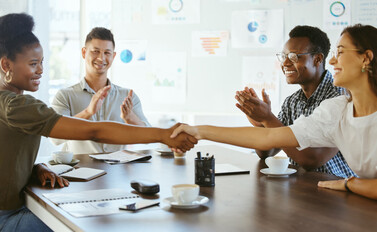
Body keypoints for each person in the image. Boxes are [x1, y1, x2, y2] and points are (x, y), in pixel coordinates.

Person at [0, 13, 196, 231]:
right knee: (97, 220)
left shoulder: (10, 103)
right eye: (33, 63)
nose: (41, 71)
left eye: (42, 63)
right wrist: (163, 134)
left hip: (19, 207)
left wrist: (36, 168)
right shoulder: (16, 105)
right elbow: (95, 131)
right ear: (6, 65)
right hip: (8, 218)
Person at [172, 24, 377, 200]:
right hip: (334, 196)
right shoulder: (338, 109)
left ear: (366, 58)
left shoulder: (335, 98)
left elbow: (311, 160)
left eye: (340, 53)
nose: (333, 62)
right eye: (284, 56)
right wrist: (199, 131)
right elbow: (269, 138)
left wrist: (350, 184)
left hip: (340, 196)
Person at [235, 25, 355, 178]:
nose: (285, 63)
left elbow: (311, 160)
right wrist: (261, 123)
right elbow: (267, 152)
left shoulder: (340, 97)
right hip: (303, 188)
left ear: (317, 59)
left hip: (338, 191)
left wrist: (268, 118)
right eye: (284, 56)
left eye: (294, 57)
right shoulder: (292, 102)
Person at [50, 27, 150, 154]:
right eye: (95, 51)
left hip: (118, 171)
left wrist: (130, 118)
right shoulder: (65, 96)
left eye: (107, 53)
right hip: (80, 172)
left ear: (113, 56)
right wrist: (88, 112)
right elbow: (54, 138)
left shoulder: (127, 96)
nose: (101, 58)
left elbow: (147, 137)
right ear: (84, 52)